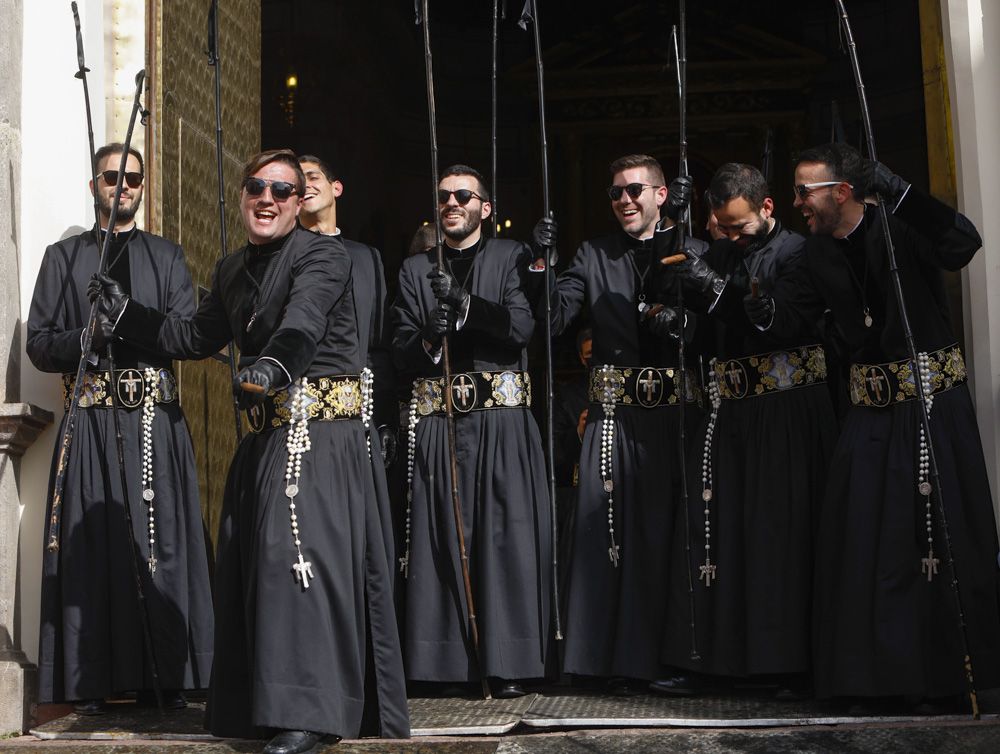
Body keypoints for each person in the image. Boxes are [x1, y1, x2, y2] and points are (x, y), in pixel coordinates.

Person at [92, 149, 409, 753]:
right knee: (256, 565)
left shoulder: (326, 256)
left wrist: (271, 366)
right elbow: (192, 335)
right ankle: (268, 704)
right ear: (242, 196)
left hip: (320, 437)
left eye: (282, 191)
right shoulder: (233, 267)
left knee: (300, 562)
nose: (267, 199)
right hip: (266, 441)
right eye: (256, 187)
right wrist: (124, 313)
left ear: (298, 203)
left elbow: (303, 323)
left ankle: (314, 716)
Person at [767, 142, 1000, 708]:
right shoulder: (814, 253)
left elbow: (963, 244)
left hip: (931, 410)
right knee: (860, 537)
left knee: (936, 536)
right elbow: (790, 321)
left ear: (841, 192)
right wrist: (751, 307)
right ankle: (872, 679)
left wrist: (901, 192)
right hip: (869, 412)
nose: (799, 203)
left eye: (805, 191)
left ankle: (951, 675)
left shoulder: (901, 228)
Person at [27, 143, 213, 715]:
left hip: (155, 424)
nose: (124, 185)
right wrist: (89, 339)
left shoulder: (167, 256)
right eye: (113, 176)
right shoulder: (63, 259)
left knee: (162, 544)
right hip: (91, 423)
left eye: (133, 177)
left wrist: (128, 315)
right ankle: (96, 676)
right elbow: (38, 343)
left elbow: (185, 333)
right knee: (95, 548)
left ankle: (171, 675)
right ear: (94, 185)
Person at [655, 163, 837, 698]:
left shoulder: (800, 253)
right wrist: (676, 294)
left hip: (787, 411)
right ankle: (710, 659)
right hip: (730, 410)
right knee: (713, 530)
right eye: (723, 226)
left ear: (767, 208)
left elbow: (786, 325)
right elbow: (682, 300)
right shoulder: (716, 253)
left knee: (778, 537)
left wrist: (717, 292)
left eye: (740, 226)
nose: (731, 236)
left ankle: (784, 663)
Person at [543, 153, 707, 692]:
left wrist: (677, 238)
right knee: (601, 531)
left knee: (669, 537)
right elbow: (556, 316)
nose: (625, 200)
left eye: (636, 190)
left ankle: (673, 660)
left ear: (662, 194)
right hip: (614, 413)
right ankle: (601, 661)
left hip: (674, 417)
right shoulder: (593, 254)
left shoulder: (690, 248)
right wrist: (540, 267)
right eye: (616, 192)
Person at [392, 164, 551, 699]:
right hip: (440, 420)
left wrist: (465, 309)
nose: (452, 203)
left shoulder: (508, 256)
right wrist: (432, 340)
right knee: (443, 533)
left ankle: (508, 662)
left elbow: (522, 328)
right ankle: (444, 663)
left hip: (501, 419)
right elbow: (398, 348)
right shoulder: (415, 270)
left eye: (464, 195)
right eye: (443, 196)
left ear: (485, 206)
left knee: (502, 536)